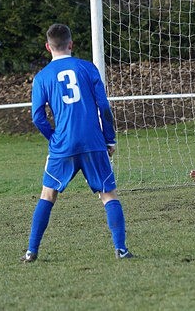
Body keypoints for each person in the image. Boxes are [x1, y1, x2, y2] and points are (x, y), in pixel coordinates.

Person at [22, 23, 132, 263]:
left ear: (48, 47)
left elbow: (37, 117)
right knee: (108, 194)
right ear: (71, 44)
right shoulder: (87, 68)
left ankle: (31, 251)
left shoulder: (42, 77)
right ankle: (121, 249)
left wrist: (54, 138)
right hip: (93, 141)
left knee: (47, 195)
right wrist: (109, 138)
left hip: (63, 145)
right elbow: (104, 107)